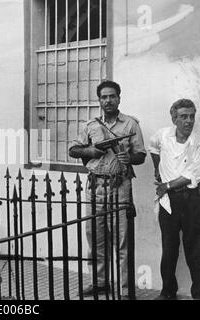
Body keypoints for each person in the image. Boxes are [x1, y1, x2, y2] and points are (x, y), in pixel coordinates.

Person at [69, 80, 146, 297]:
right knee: (95, 238)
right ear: (99, 100)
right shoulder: (90, 126)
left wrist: (128, 157)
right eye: (104, 97)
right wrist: (90, 151)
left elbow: (141, 155)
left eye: (112, 96)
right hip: (95, 186)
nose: (108, 100)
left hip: (119, 185)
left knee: (122, 240)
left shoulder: (131, 125)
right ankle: (99, 282)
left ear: (119, 98)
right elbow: (73, 150)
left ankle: (124, 288)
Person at [149, 99, 200, 300]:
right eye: (183, 116)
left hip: (192, 200)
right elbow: (153, 147)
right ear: (174, 118)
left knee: (197, 251)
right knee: (169, 249)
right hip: (169, 202)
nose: (188, 121)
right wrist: (158, 171)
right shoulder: (163, 135)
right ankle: (167, 293)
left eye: (192, 116)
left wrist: (166, 185)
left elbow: (194, 174)